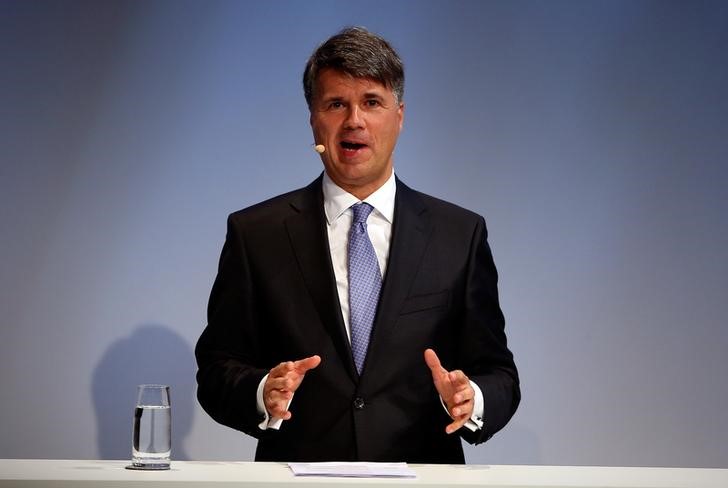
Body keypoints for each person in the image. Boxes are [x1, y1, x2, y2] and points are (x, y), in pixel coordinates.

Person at [195, 26, 520, 463]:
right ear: (313, 118)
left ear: (399, 117)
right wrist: (261, 391)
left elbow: (499, 374)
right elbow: (217, 369)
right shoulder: (257, 233)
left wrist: (470, 398)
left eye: (371, 102)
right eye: (336, 104)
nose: (354, 120)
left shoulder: (459, 234)